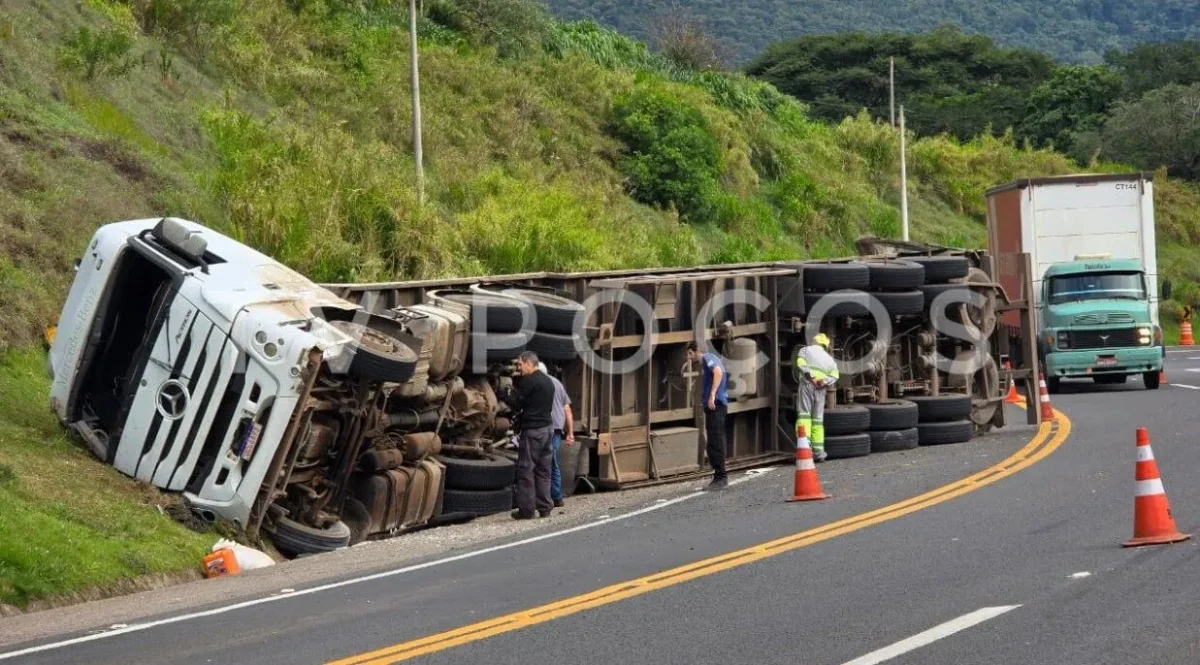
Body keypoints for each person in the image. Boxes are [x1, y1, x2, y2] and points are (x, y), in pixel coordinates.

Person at [501, 352, 556, 519]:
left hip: (533, 431)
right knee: (544, 470)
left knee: (526, 470)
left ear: (528, 363)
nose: (519, 368)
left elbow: (518, 404)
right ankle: (545, 507)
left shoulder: (529, 381)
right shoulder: (548, 381)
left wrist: (505, 395)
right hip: (548, 430)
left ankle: (526, 511)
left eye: (520, 364)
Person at [686, 342, 728, 491]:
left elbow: (718, 372)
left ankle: (721, 477)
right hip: (714, 407)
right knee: (712, 442)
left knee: (715, 441)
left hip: (716, 405)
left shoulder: (708, 358)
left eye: (690, 353)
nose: (689, 358)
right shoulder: (706, 362)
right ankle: (718, 476)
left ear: (697, 351)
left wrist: (712, 394)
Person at [795, 333, 840, 462]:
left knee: (804, 415)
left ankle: (805, 447)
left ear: (814, 341)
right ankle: (819, 452)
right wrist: (824, 381)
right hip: (821, 389)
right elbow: (835, 375)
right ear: (825, 346)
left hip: (807, 384)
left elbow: (801, 363)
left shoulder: (805, 350)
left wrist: (811, 377)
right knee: (817, 419)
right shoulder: (829, 359)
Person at [538, 362, 575, 507]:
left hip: (546, 427)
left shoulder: (539, 384)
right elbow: (567, 409)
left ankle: (553, 496)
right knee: (552, 461)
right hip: (557, 428)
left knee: (548, 462)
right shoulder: (558, 384)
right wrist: (570, 433)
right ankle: (555, 496)